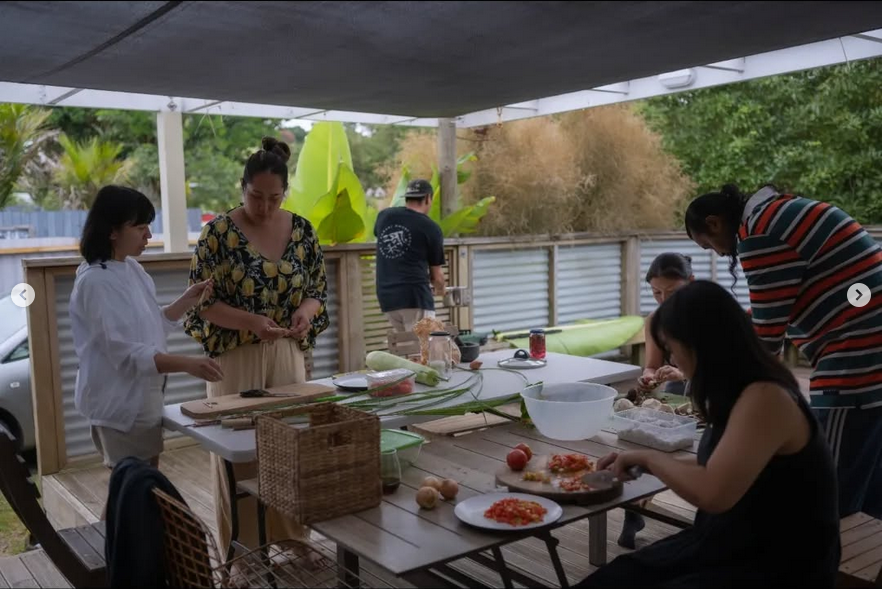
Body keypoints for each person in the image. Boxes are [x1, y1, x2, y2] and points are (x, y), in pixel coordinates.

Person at [579, 280, 840, 588]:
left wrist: (650, 457)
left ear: (702, 344)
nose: (673, 360)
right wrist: (640, 460)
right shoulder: (739, 392)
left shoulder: (766, 398)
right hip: (729, 543)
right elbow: (718, 466)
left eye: (674, 349)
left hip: (778, 563)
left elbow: (713, 493)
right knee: (617, 576)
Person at [685, 183, 882, 519]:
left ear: (715, 223)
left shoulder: (760, 234)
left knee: (828, 493)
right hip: (869, 349)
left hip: (855, 361)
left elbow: (766, 340)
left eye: (708, 245)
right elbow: (769, 312)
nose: (717, 254)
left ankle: (826, 570)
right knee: (871, 487)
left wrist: (718, 388)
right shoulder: (781, 213)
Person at [184, 137, 330, 556]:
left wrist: (304, 311)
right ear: (241, 187)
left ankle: (293, 537)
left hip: (286, 353)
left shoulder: (302, 230)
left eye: (274, 198)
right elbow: (203, 303)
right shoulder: (217, 234)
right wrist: (251, 322)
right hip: (234, 357)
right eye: (255, 197)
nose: (264, 207)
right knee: (237, 454)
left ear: (284, 194)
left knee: (289, 446)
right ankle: (244, 550)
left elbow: (317, 289)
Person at [70, 186, 223, 477]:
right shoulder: (95, 283)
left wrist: (187, 300)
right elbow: (126, 353)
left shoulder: (131, 270)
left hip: (142, 402)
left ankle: (119, 525)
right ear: (112, 231)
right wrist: (188, 364)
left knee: (137, 489)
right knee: (132, 490)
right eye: (140, 227)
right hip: (121, 408)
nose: (148, 235)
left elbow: (153, 325)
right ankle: (111, 526)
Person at [619, 252, 694, 549]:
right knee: (645, 437)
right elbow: (651, 364)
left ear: (691, 283)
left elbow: (723, 368)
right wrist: (650, 376)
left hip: (709, 392)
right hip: (676, 394)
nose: (664, 300)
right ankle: (634, 509)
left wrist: (683, 372)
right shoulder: (656, 320)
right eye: (656, 293)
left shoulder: (709, 316)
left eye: (672, 292)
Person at [374, 179, 445, 332]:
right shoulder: (430, 227)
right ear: (427, 198)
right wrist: (441, 289)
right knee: (425, 351)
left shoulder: (384, 217)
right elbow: (436, 276)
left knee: (406, 350)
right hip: (415, 297)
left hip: (388, 298)